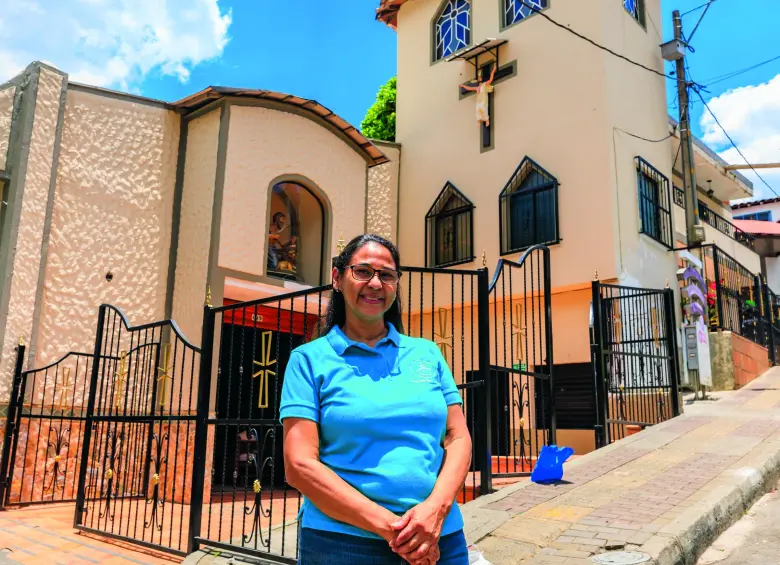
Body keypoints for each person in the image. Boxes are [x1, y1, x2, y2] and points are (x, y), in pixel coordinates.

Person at [280, 234, 472, 565]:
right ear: (337, 278)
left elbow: (458, 436)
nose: (375, 283)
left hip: (440, 535)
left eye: (386, 274)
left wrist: (436, 510)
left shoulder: (426, 353)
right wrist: (396, 530)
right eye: (363, 271)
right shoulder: (308, 360)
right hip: (342, 544)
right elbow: (299, 466)